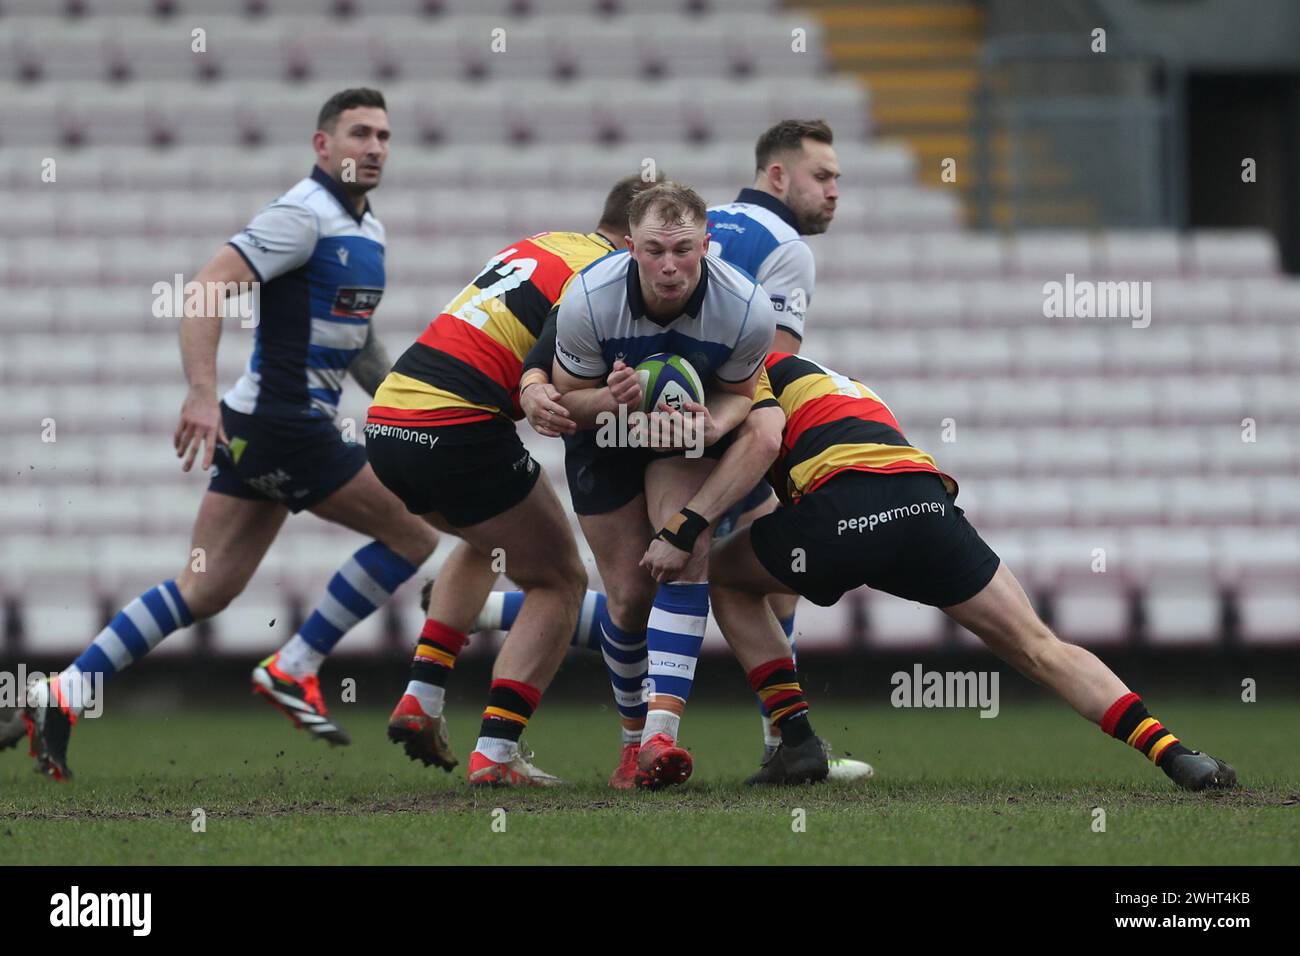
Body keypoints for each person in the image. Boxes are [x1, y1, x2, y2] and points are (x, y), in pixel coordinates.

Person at [21, 88, 439, 780]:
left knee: (204, 589)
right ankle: (295, 664)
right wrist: (199, 394)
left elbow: (359, 341)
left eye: (383, 136)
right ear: (323, 145)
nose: (373, 148)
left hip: (261, 429)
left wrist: (406, 405)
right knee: (416, 533)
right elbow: (207, 288)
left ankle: (63, 692)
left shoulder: (369, 232)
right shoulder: (300, 217)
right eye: (359, 133)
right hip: (285, 424)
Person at [640, 352, 1238, 791]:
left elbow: (759, 444)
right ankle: (1174, 752)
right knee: (1038, 644)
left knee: (725, 576)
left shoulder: (745, 375)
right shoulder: (833, 380)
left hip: (844, 506)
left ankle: (796, 742)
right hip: (925, 502)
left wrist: (684, 524)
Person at [365, 175, 660, 786]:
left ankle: (422, 695)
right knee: (560, 578)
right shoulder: (607, 279)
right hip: (456, 425)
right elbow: (580, 391)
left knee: (487, 541)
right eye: (660, 244)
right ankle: (496, 756)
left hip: (390, 416)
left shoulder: (546, 244)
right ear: (637, 237)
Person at [550, 182, 777, 789]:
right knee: (627, 596)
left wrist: (714, 426)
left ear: (707, 244)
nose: (669, 266)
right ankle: (629, 743)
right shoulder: (589, 300)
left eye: (683, 249)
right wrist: (612, 400)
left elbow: (741, 393)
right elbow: (567, 402)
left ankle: (658, 738)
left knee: (686, 547)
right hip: (606, 438)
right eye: (654, 251)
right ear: (630, 247)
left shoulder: (747, 307)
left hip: (685, 439)